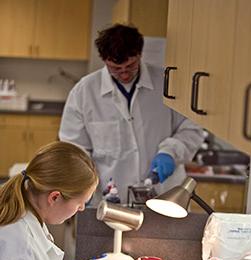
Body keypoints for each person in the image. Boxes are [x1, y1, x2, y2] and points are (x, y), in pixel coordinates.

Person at [59, 23, 206, 204]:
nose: (124, 74)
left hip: (164, 194)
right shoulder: (84, 92)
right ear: (104, 60)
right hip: (108, 197)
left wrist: (171, 152)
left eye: (130, 66)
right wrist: (82, 187)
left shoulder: (167, 84)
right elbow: (73, 148)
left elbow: (193, 127)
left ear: (139, 54)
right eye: (115, 68)